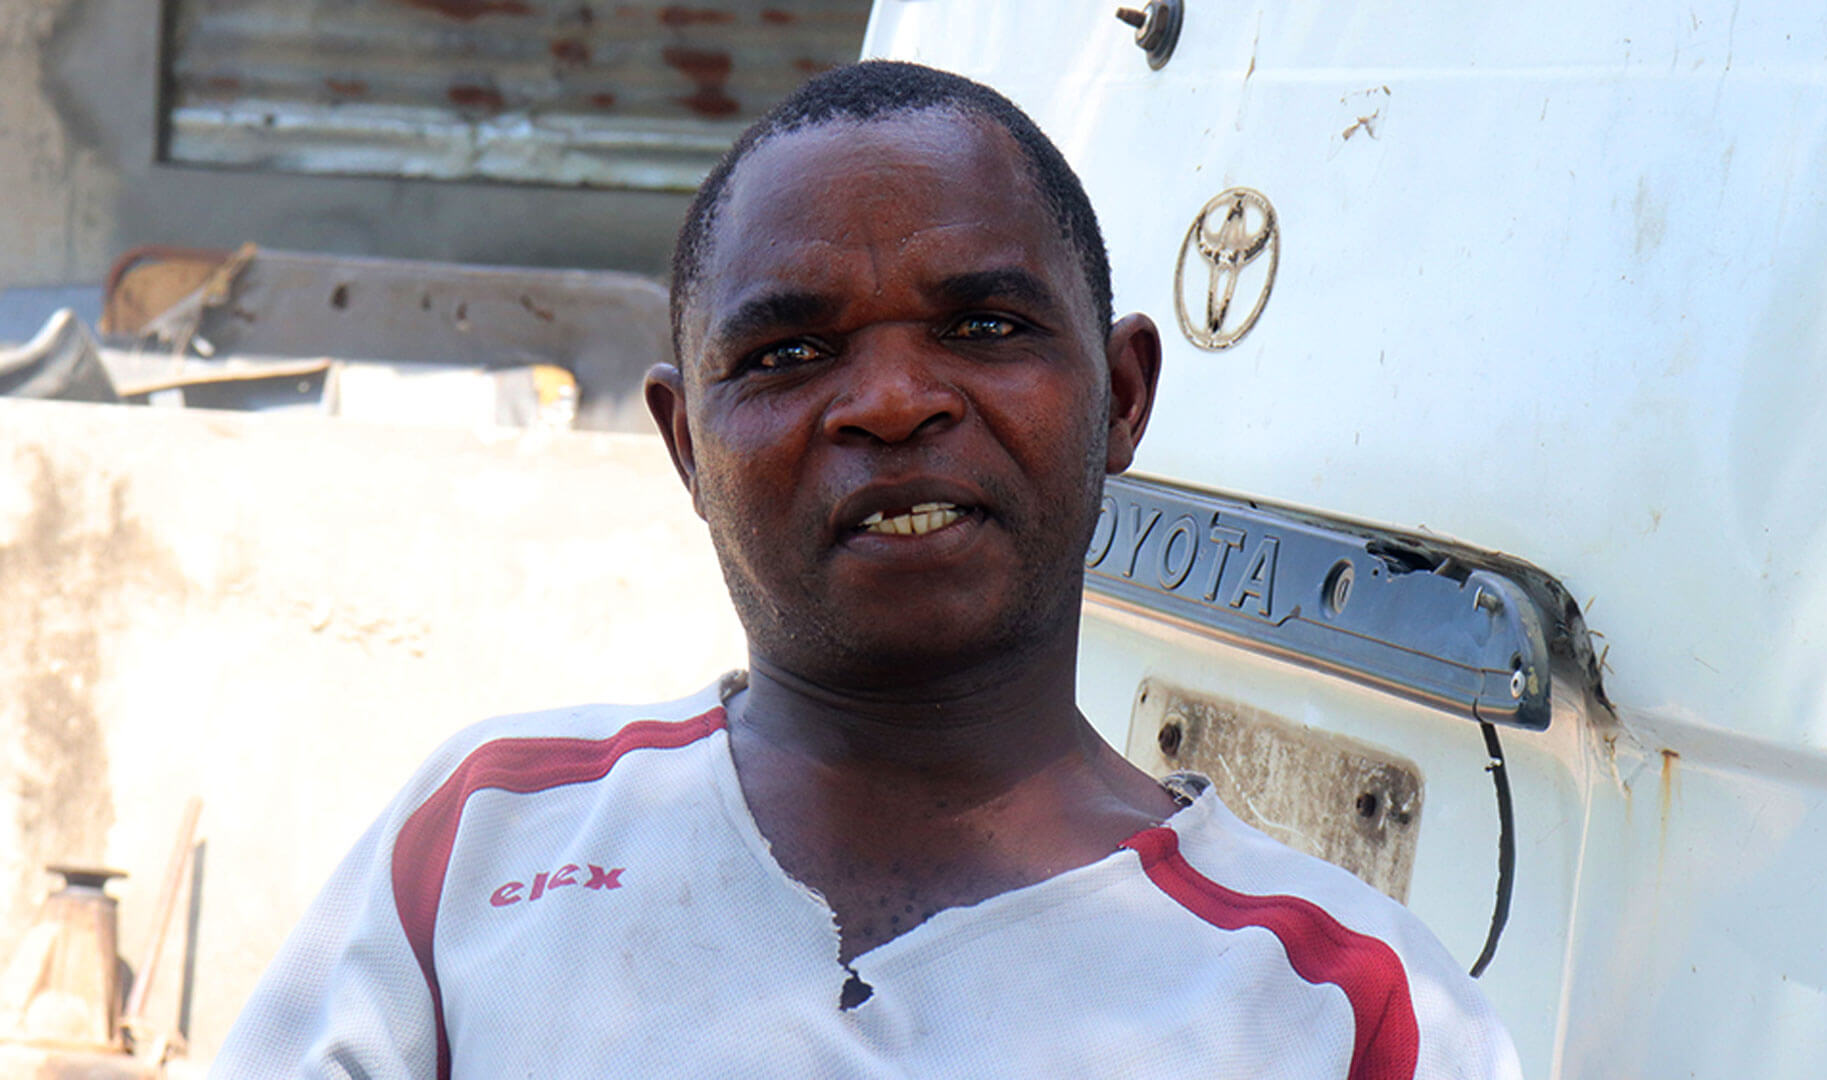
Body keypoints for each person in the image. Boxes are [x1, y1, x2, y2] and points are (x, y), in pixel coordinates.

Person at [211, 61, 1522, 1079]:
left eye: (986, 326)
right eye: (787, 353)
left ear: (1121, 395)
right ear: (684, 441)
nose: (892, 402)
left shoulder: (1349, 1009)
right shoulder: (484, 846)